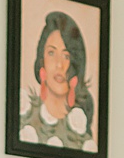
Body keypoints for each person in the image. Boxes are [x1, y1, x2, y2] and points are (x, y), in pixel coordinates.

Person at [18, 12, 95, 149]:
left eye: (66, 56)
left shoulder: (84, 141)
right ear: (42, 62)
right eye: (51, 53)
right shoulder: (24, 120)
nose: (59, 65)